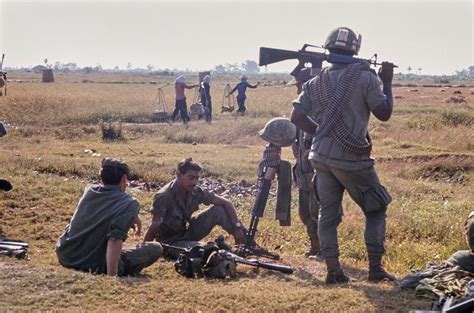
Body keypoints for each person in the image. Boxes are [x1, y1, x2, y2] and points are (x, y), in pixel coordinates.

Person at [290, 27, 395, 284]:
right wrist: (388, 82)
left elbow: (296, 116)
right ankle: (375, 269)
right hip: (352, 158)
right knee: (376, 208)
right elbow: (384, 113)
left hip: (321, 157)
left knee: (327, 214)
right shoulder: (366, 78)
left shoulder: (316, 82)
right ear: (354, 51)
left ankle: (334, 272)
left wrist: (321, 134)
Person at [55, 158, 163, 276]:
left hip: (66, 256)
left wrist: (134, 217)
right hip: (94, 264)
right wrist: (112, 275)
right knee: (156, 248)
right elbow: (115, 239)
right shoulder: (130, 203)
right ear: (123, 179)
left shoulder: (90, 190)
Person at [143, 158, 246, 253]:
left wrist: (237, 228)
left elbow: (226, 202)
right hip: (171, 243)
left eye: (197, 178)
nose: (195, 182)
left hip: (187, 232)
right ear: (179, 175)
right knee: (204, 251)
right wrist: (145, 251)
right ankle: (226, 250)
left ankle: (248, 245)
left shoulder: (194, 190)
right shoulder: (164, 195)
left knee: (219, 210)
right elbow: (154, 225)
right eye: (191, 178)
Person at [288, 68, 323, 260]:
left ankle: (325, 249)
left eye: (300, 85)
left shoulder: (319, 109)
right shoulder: (301, 109)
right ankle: (314, 247)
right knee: (305, 213)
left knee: (319, 211)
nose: (297, 89)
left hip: (317, 169)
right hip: (302, 172)